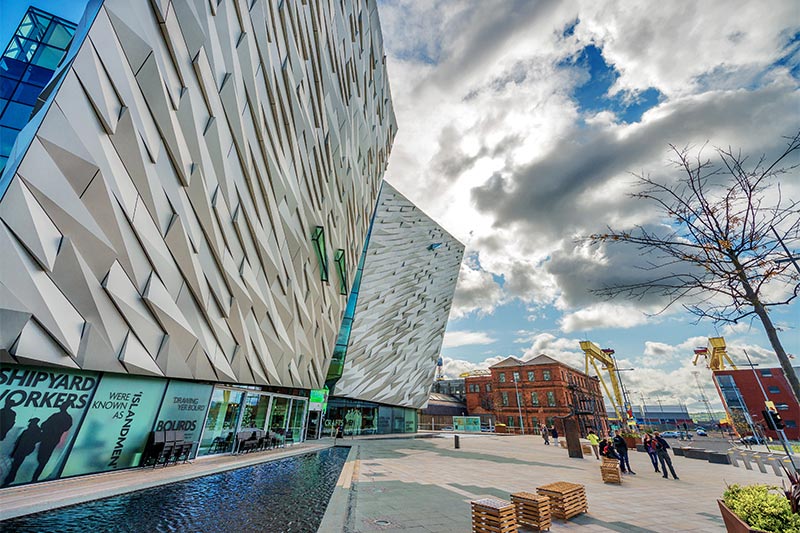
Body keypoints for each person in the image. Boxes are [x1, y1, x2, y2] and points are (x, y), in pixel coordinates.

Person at [32, 402, 73, 482]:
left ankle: (35, 477)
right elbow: (44, 424)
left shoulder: (64, 417)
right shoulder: (59, 416)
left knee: (43, 458)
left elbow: (65, 427)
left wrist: (54, 429)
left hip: (51, 439)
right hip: (49, 438)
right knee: (42, 458)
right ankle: (35, 476)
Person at [2, 418, 41, 486]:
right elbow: (18, 440)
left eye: (31, 423)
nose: (29, 424)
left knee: (16, 465)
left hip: (23, 451)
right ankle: (10, 478)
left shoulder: (36, 432)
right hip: (19, 450)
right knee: (15, 465)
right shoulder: (27, 431)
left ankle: (9, 479)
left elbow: (38, 439)